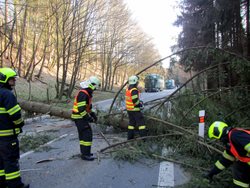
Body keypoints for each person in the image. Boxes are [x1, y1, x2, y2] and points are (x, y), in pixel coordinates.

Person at [0, 67, 29, 188]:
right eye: (12, 79)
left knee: (1, 162)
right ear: (5, 80)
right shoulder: (7, 95)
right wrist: (20, 124)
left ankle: (3, 183)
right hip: (8, 137)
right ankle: (15, 185)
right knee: (11, 161)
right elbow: (16, 115)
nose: (14, 82)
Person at [205, 121, 250, 188]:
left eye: (217, 138)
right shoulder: (231, 144)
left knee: (239, 166)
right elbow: (224, 161)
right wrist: (211, 173)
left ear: (218, 133)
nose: (220, 141)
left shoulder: (235, 135)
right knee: (239, 166)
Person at [71, 76, 100, 161]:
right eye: (95, 88)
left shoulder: (87, 93)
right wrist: (88, 118)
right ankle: (85, 154)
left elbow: (87, 108)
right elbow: (81, 109)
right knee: (87, 135)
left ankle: (85, 152)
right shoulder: (83, 93)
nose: (95, 90)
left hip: (80, 117)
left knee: (83, 135)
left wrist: (92, 114)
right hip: (79, 117)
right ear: (92, 85)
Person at [125, 75, 146, 140]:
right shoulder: (134, 90)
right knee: (141, 124)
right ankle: (143, 139)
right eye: (137, 82)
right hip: (135, 110)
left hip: (129, 110)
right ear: (135, 82)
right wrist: (139, 104)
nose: (138, 83)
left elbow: (131, 99)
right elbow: (135, 101)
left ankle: (130, 138)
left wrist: (139, 102)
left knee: (131, 124)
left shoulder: (128, 89)